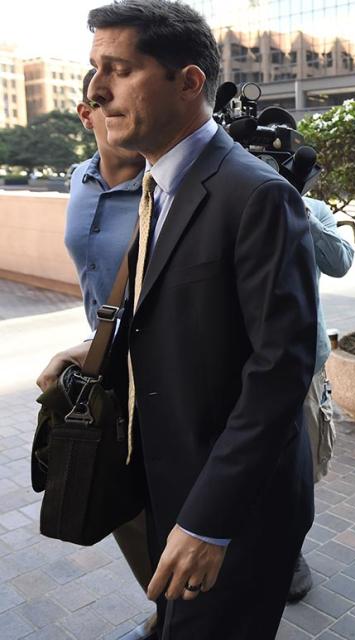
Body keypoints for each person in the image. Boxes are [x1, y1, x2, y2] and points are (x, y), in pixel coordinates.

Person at [37, 2, 318, 637]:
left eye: (120, 69)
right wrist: (93, 349)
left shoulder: (258, 195)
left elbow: (279, 373)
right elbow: (174, 313)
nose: (97, 89)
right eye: (93, 70)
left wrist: (207, 521)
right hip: (163, 477)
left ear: (190, 83)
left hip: (233, 505)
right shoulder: (156, 181)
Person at [54, 68, 158, 640]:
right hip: (102, 364)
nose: (112, 109)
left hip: (152, 366)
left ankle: (186, 607)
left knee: (158, 497)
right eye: (100, 102)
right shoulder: (78, 178)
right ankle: (169, 603)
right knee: (113, 496)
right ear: (85, 114)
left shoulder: (161, 188)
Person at [288, 196, 354, 600]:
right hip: (239, 361)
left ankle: (291, 548)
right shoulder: (230, 194)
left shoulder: (312, 206)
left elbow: (339, 261)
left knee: (303, 464)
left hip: (302, 363)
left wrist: (297, 207)